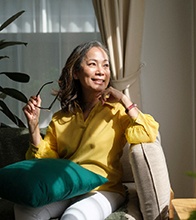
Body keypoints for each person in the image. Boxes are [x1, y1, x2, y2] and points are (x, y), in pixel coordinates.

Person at [15, 40, 159, 220]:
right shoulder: (61, 118)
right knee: (24, 210)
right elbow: (46, 162)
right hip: (67, 186)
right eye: (92, 64)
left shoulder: (117, 111)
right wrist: (34, 125)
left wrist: (124, 99)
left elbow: (148, 133)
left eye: (105, 66)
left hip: (103, 190)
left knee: (74, 217)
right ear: (76, 72)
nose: (101, 71)